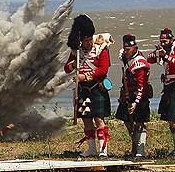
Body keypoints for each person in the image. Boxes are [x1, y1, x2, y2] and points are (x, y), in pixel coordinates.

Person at [65, 15, 112, 157]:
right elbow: (66, 68)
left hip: (96, 88)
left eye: (90, 39)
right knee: (86, 120)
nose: (89, 42)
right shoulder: (76, 51)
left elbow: (103, 70)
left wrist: (84, 76)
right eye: (86, 40)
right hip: (83, 90)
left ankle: (103, 150)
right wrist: (73, 65)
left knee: (99, 119)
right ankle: (92, 149)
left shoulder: (101, 48)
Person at [146, 27, 175, 157]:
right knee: (170, 119)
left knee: (173, 118)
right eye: (161, 41)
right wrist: (157, 54)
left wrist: (165, 55)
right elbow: (150, 59)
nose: (163, 43)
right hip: (168, 85)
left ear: (172, 40)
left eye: (165, 41)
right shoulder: (165, 50)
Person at [115, 34, 152, 158]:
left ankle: (140, 151)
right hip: (127, 94)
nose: (126, 52)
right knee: (127, 121)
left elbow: (142, 86)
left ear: (135, 48)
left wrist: (135, 102)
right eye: (125, 49)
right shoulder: (125, 57)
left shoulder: (140, 63)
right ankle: (134, 146)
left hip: (139, 96)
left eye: (128, 49)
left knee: (139, 122)